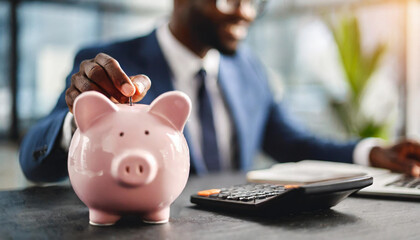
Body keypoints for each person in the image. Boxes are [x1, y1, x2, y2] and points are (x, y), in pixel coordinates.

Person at [19, 0, 420, 182]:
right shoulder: (109, 63)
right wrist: (82, 120)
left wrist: (370, 152)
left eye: (254, 2)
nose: (245, 11)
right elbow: (32, 159)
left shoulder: (249, 69)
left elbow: (292, 144)